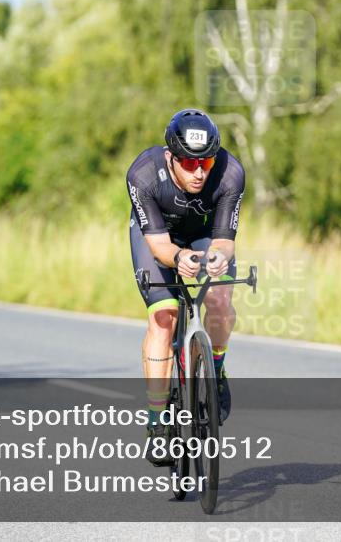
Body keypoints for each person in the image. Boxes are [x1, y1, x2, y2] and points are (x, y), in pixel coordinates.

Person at [126, 109, 245, 465]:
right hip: (160, 236)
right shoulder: (143, 175)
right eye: (190, 164)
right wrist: (178, 257)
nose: (199, 171)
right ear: (170, 157)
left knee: (221, 299)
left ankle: (217, 368)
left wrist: (220, 258)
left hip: (206, 234)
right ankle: (157, 421)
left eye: (206, 162)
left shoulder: (230, 173)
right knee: (164, 316)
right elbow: (160, 248)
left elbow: (225, 239)